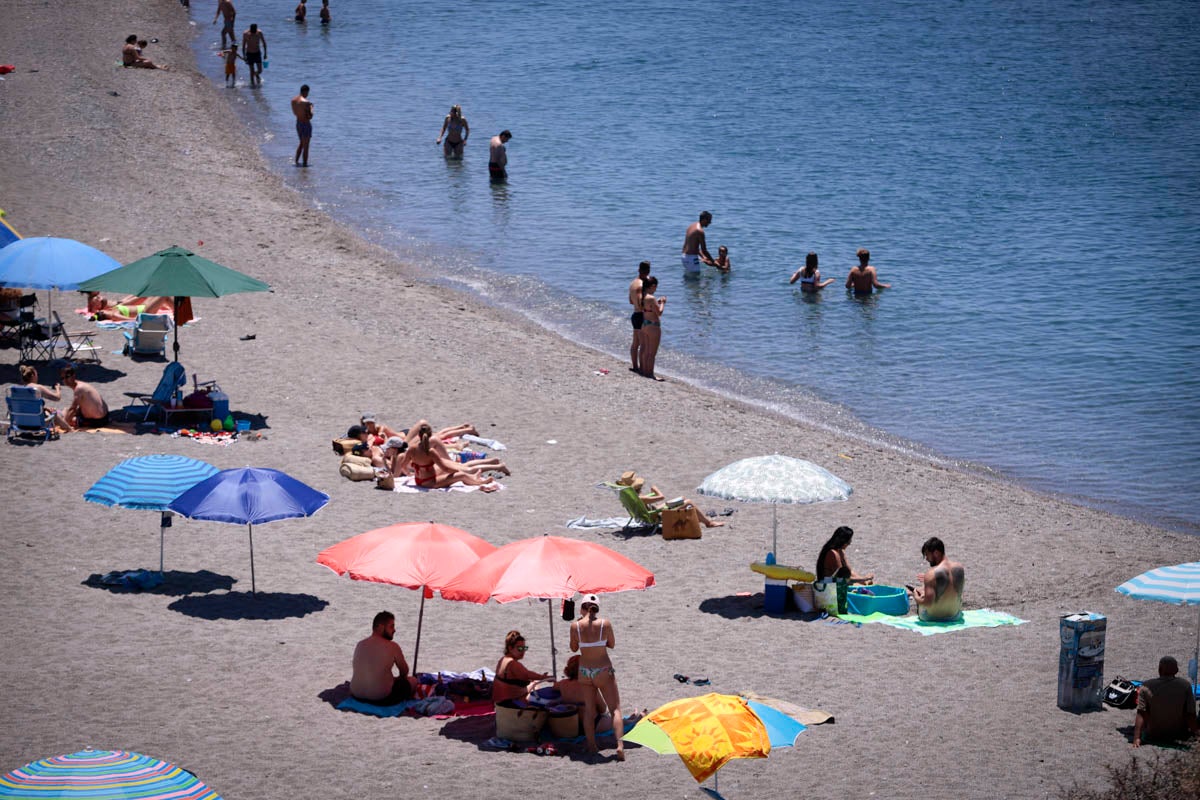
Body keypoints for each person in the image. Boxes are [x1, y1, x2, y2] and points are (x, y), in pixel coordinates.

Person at [570, 595, 624, 760]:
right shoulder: (604, 624)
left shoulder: (575, 626)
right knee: (615, 709)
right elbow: (612, 644)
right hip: (603, 669)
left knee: (589, 711)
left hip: (585, 671)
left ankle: (592, 746)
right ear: (596, 608)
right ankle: (620, 746)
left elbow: (573, 649)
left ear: (582, 608)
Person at [398, 423, 497, 489]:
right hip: (429, 482)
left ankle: (472, 477)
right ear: (430, 435)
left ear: (418, 436)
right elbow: (445, 467)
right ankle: (480, 483)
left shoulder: (412, 449)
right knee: (460, 475)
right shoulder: (430, 451)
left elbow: (403, 465)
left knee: (457, 470)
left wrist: (409, 474)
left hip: (419, 480)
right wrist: (457, 472)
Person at [350, 611, 418, 705]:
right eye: (391, 626)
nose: (394, 630)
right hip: (381, 698)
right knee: (413, 681)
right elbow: (404, 672)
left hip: (356, 695)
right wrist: (396, 679)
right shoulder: (392, 646)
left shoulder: (360, 644)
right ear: (381, 627)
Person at [1133, 656, 1198, 747]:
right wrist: (1197, 733)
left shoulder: (1146, 686)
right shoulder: (1185, 686)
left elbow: (1141, 713)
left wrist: (1137, 737)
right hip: (1179, 734)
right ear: (1176, 670)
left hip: (1154, 734)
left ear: (1159, 669)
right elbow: (1190, 714)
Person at [907, 537, 964, 621]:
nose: (926, 559)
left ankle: (916, 592)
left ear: (936, 553)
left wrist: (916, 597)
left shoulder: (931, 574)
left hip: (933, 618)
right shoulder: (960, 568)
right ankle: (921, 591)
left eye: (927, 555)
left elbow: (928, 603)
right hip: (955, 616)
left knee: (921, 596)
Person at [555, 655, 613, 737]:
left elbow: (554, 687)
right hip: (592, 724)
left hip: (571, 725)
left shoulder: (562, 684)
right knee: (621, 722)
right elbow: (602, 709)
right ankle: (632, 720)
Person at [492, 630, 551, 703]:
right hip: (508, 702)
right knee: (535, 686)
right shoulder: (512, 663)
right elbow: (527, 674)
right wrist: (544, 678)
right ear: (510, 648)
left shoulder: (503, 659)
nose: (523, 651)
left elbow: (523, 676)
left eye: (524, 648)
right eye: (520, 648)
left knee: (533, 682)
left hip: (498, 700)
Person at [637, 480, 725, 528]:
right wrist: (655, 489)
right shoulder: (641, 498)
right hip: (658, 515)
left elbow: (650, 503)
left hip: (653, 512)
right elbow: (661, 497)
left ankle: (699, 518)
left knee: (682, 498)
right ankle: (708, 523)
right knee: (688, 502)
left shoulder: (635, 497)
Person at [18, 365, 71, 432]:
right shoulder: (38, 388)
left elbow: (28, 408)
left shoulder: (19, 390)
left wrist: (45, 408)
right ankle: (70, 429)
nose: (37, 377)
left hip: (22, 423)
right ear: (33, 376)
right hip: (37, 423)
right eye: (37, 375)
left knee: (61, 411)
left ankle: (64, 416)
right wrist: (58, 389)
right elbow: (57, 398)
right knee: (56, 414)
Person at [59, 365, 109, 429]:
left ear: (73, 376)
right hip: (105, 416)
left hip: (97, 421)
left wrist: (64, 423)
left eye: (67, 377)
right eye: (62, 378)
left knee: (69, 417)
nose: (65, 380)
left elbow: (73, 409)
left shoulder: (78, 389)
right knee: (67, 411)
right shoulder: (81, 384)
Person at [639, 276, 665, 381]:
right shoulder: (651, 298)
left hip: (644, 324)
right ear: (653, 286)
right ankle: (650, 374)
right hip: (653, 326)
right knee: (652, 353)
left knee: (646, 351)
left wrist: (657, 304)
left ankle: (645, 371)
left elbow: (649, 308)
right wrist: (663, 303)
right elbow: (659, 313)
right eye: (655, 287)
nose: (656, 290)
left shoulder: (642, 296)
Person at [628, 261, 651, 373]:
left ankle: (635, 366)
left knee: (635, 343)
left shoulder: (633, 283)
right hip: (641, 315)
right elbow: (639, 302)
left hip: (635, 315)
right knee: (643, 344)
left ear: (638, 270)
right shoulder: (640, 285)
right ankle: (642, 368)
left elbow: (630, 301)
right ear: (648, 271)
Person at [681, 211, 716, 275]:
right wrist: (714, 262)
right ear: (704, 219)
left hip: (684, 257)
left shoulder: (691, 226)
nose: (710, 223)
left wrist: (702, 256)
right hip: (691, 259)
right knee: (695, 281)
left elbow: (691, 246)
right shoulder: (700, 231)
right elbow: (704, 250)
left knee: (689, 280)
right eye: (709, 220)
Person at [292, 85, 313, 167]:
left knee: (301, 143)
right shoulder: (306, 103)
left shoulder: (293, 100)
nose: (308, 94)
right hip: (305, 124)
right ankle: (305, 164)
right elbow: (310, 116)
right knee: (306, 146)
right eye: (307, 92)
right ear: (306, 92)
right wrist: (311, 108)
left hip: (298, 124)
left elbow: (295, 113)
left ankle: (296, 161)